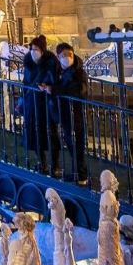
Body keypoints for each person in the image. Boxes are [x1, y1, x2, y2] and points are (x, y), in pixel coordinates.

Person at [19, 36, 61, 175]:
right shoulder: (29, 62)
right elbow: (26, 82)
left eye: (36, 49)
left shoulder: (50, 62)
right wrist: (23, 99)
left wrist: (47, 86)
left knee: (50, 133)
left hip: (46, 103)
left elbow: (54, 79)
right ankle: (41, 162)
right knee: (35, 133)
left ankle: (55, 164)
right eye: (31, 49)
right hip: (32, 102)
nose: (33, 51)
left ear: (42, 50)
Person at [54, 42, 88, 182]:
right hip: (65, 112)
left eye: (69, 54)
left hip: (75, 113)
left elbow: (80, 90)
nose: (67, 57)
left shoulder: (78, 71)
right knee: (70, 143)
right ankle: (77, 173)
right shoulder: (58, 70)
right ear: (58, 56)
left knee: (77, 144)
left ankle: (80, 175)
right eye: (64, 55)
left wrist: (57, 90)